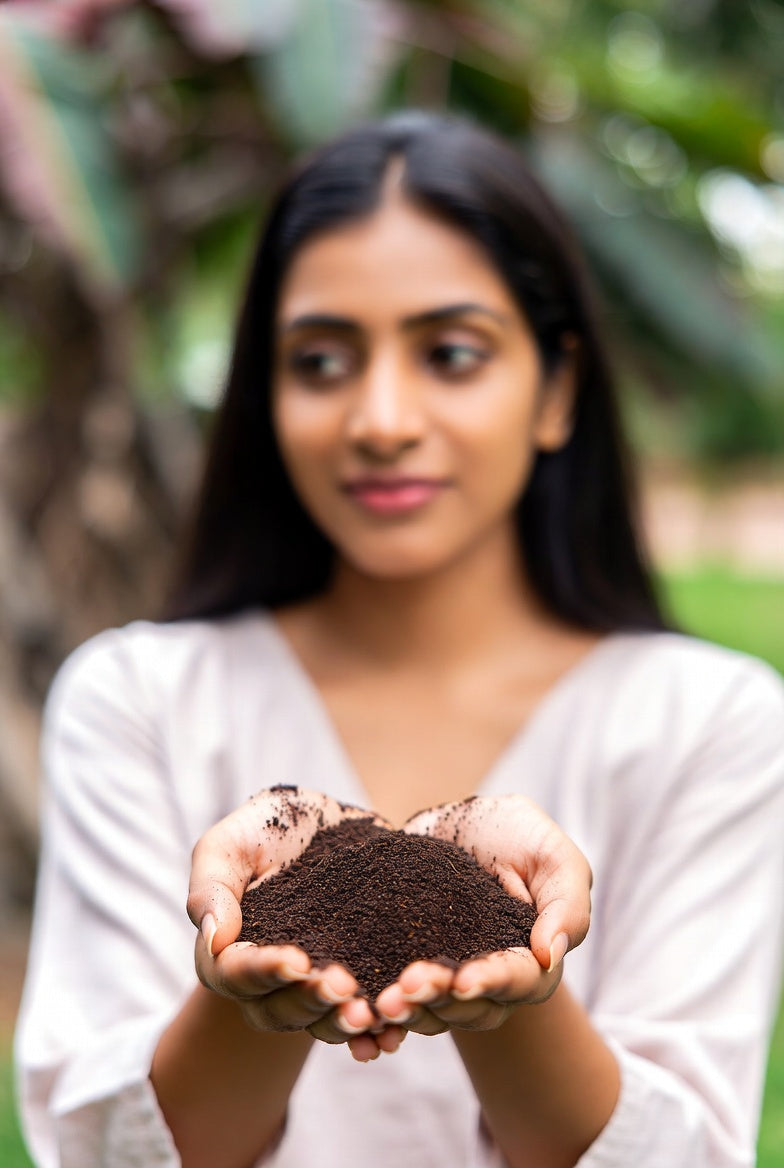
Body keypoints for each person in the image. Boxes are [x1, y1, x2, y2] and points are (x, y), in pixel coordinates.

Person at [14, 111, 784, 1168]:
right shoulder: (139, 700)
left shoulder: (708, 722)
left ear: (556, 390)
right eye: (321, 360)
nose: (380, 418)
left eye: (451, 354)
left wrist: (517, 998)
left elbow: (681, 1152)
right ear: (267, 395)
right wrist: (247, 993)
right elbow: (105, 1150)